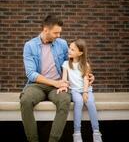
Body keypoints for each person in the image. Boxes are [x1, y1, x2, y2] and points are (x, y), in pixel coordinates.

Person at [20, 14, 95, 142]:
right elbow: (31, 74)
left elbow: (73, 64)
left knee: (65, 100)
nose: (58, 36)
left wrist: (87, 74)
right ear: (45, 30)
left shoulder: (62, 43)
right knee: (25, 100)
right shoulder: (30, 46)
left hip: (59, 85)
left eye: (60, 33)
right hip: (37, 84)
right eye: (56, 33)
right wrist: (55, 83)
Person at [57, 39, 103, 142]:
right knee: (78, 102)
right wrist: (63, 85)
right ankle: (77, 133)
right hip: (74, 90)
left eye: (72, 49)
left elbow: (86, 79)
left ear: (80, 53)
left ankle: (96, 132)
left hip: (86, 89)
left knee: (90, 102)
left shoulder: (85, 65)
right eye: (69, 48)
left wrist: (86, 92)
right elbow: (64, 78)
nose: (69, 50)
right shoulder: (66, 64)